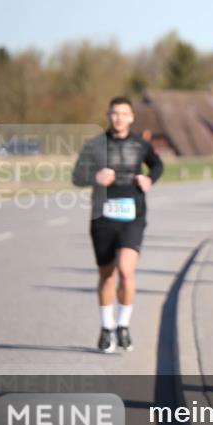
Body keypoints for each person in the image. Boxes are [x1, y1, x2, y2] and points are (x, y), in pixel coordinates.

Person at [72, 96, 164, 353]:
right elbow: (77, 175)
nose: (119, 118)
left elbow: (157, 165)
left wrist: (149, 180)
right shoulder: (95, 145)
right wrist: (96, 176)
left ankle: (123, 325)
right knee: (106, 275)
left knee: (126, 270)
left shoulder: (140, 144)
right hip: (102, 216)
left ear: (132, 117)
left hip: (133, 214)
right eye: (114, 113)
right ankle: (106, 327)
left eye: (124, 113)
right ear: (108, 115)